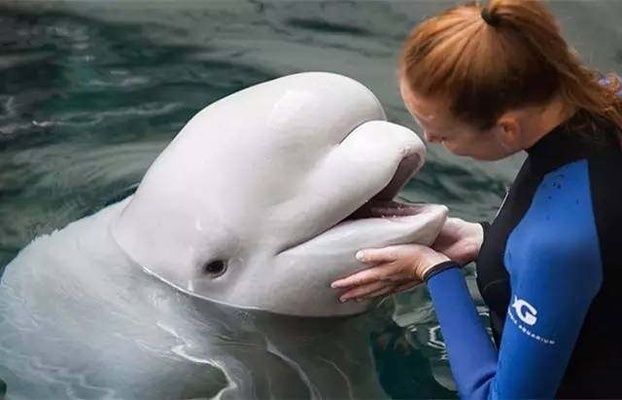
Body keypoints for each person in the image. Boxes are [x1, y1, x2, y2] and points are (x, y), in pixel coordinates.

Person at [331, 0, 622, 398]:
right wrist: (487, 241)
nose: (429, 141)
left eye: (443, 134)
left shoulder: (556, 247)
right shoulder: (606, 101)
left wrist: (434, 272)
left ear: (507, 128)